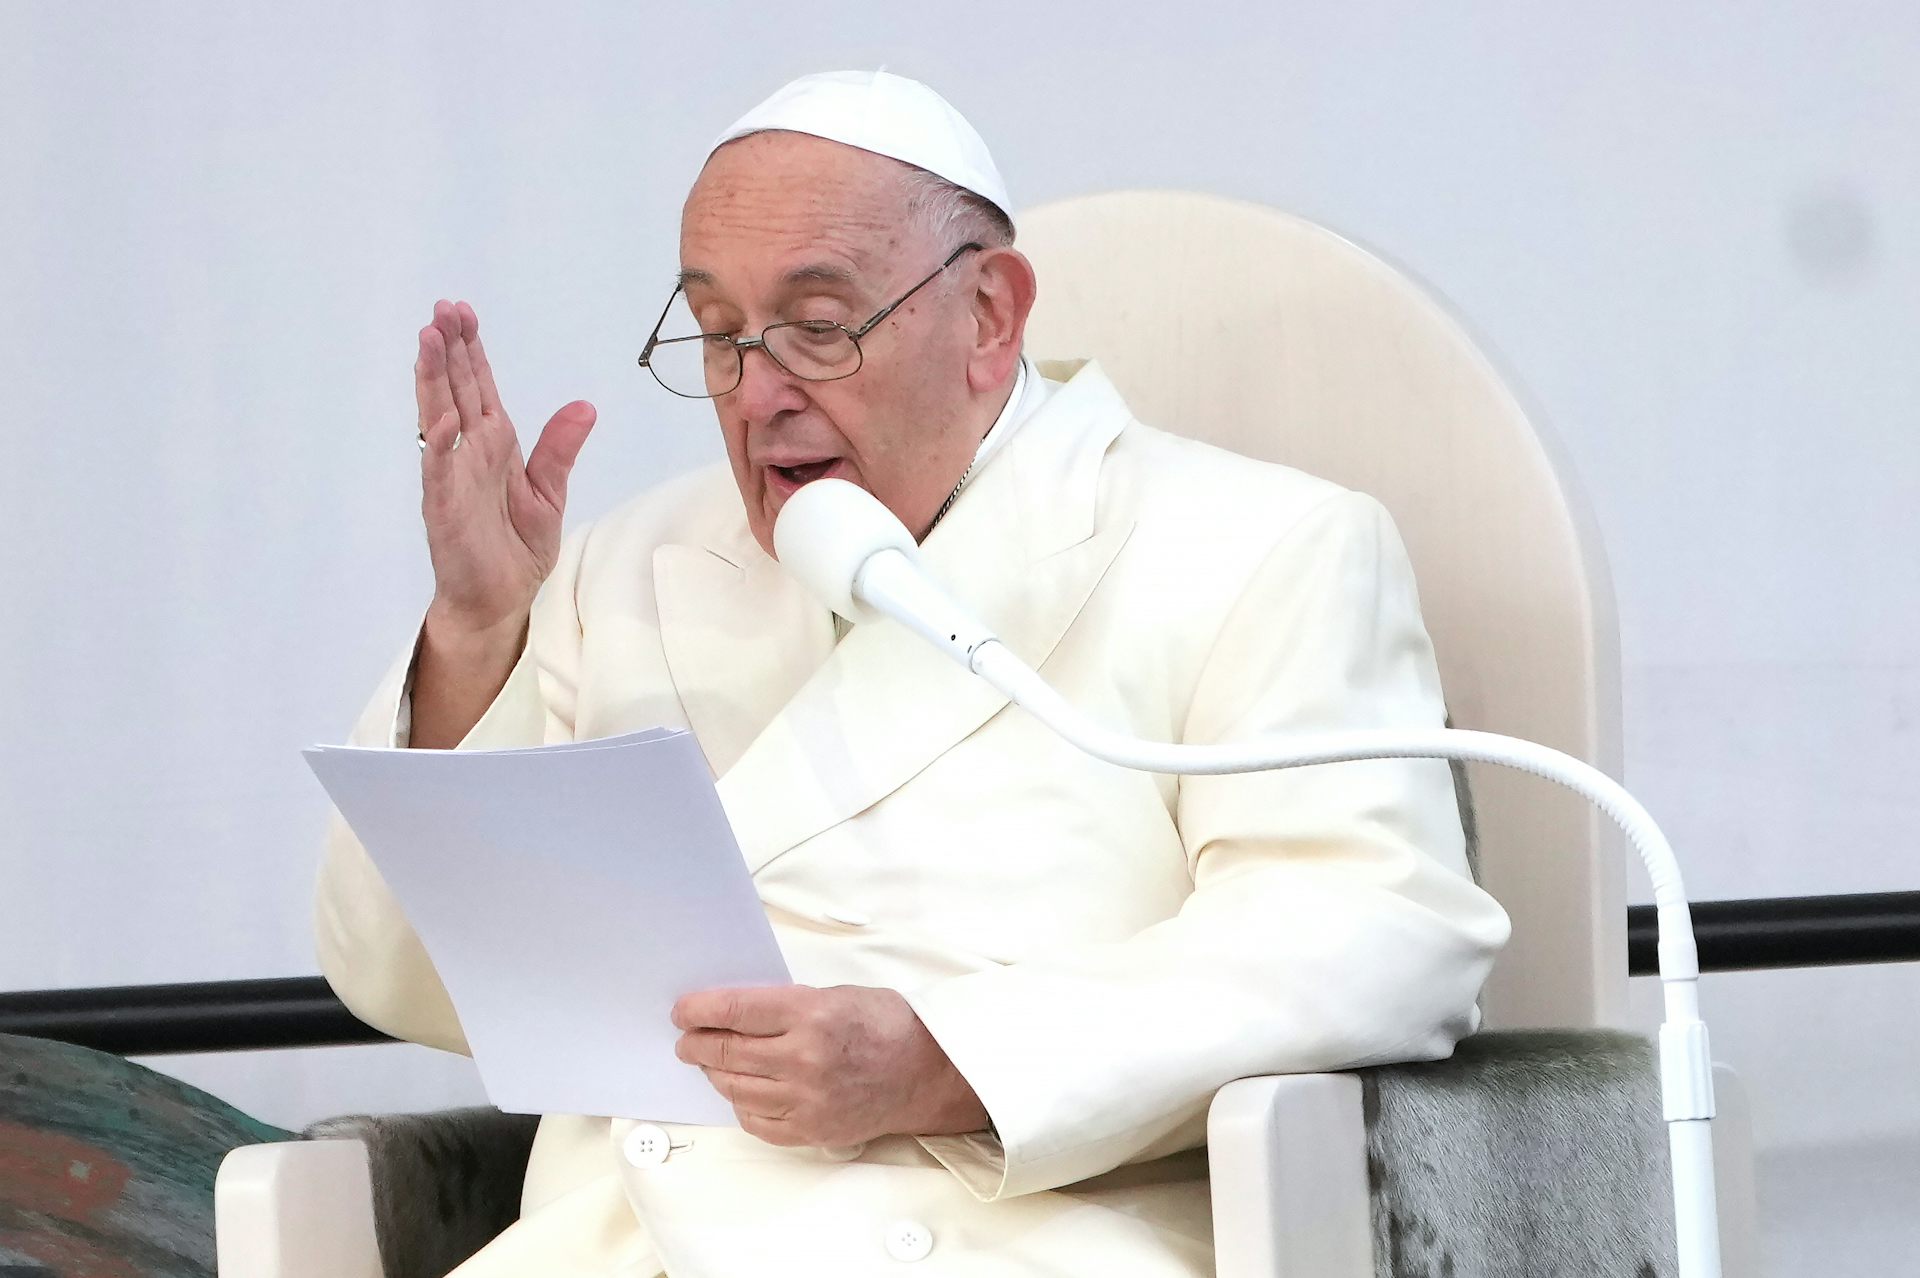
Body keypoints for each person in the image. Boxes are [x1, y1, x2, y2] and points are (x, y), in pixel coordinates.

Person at [316, 69, 1511, 1277]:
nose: (759, 395)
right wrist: (476, 630)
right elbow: (410, 983)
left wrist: (937, 1062)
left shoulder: (1257, 547)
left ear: (990, 314)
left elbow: (1376, 934)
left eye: (820, 328)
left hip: (1014, 1236)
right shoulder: (623, 565)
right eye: (721, 337)